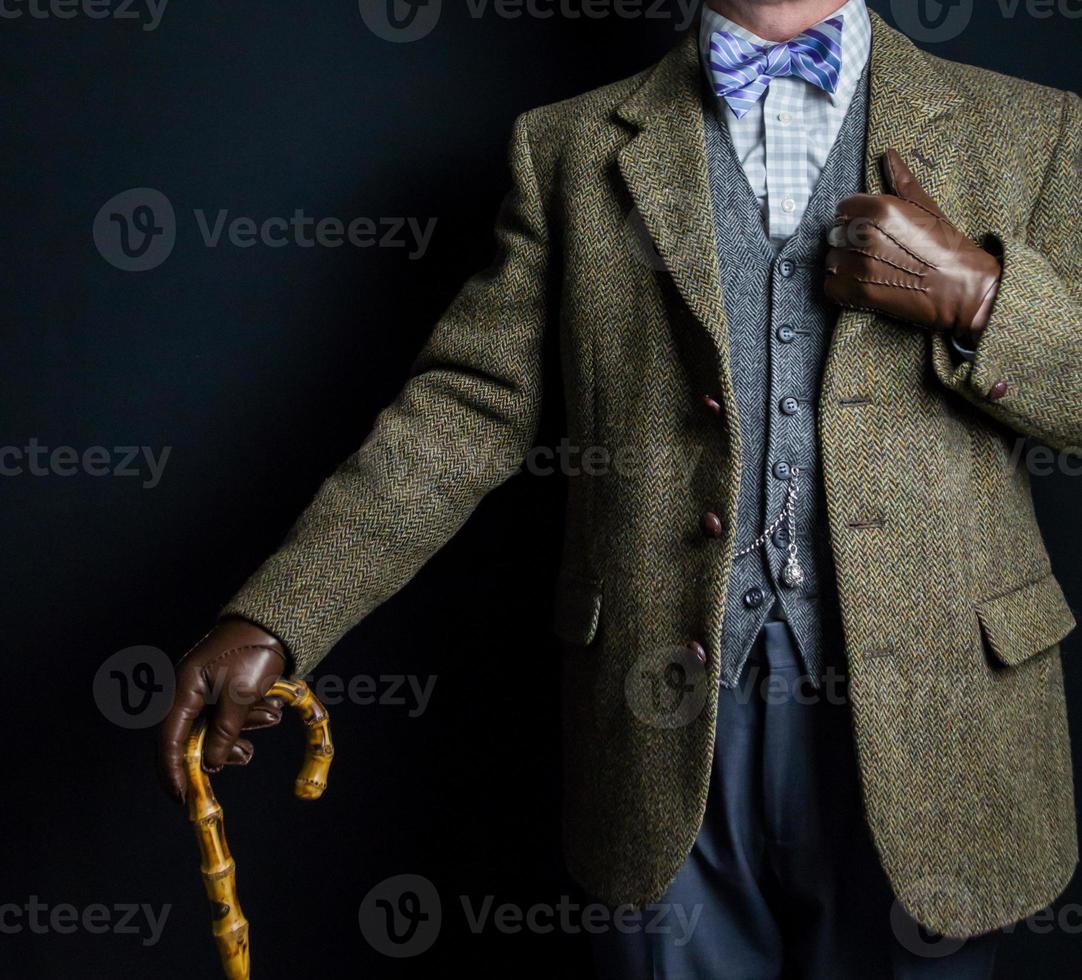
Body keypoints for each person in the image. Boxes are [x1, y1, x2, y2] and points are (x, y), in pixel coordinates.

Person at [158, 1, 1082, 975]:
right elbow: (462, 413)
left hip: (942, 720)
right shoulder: (562, 148)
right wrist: (277, 617)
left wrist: (982, 298)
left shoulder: (1034, 129)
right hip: (659, 729)